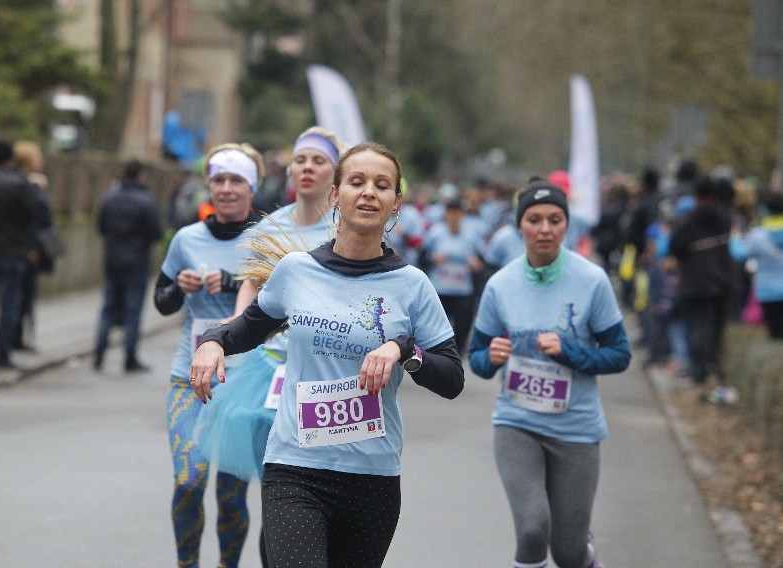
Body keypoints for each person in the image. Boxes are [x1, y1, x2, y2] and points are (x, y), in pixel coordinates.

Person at [189, 142, 465, 568]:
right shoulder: (296, 271)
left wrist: (404, 350)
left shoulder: (412, 285)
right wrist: (212, 340)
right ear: (336, 195)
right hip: (294, 467)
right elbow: (247, 328)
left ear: (395, 203)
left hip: (372, 475)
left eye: (382, 185)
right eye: (356, 182)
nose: (369, 192)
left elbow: (452, 378)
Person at [194, 127, 346, 568]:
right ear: (291, 169)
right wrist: (233, 331)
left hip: (325, 372)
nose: (307, 168)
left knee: (322, 483)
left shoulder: (345, 227)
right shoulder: (272, 225)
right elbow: (253, 286)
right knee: (278, 486)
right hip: (269, 371)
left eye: (318, 160)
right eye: (300, 160)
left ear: (334, 172)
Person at [468, 177, 631, 568]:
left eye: (555, 220)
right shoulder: (500, 285)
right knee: (532, 531)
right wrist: (491, 357)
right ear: (519, 226)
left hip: (576, 426)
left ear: (566, 225)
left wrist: (571, 352)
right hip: (517, 423)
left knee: (569, 552)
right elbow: (476, 358)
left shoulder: (591, 281)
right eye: (535, 219)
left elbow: (620, 354)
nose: (545, 229)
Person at [153, 143, 264, 568]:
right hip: (188, 376)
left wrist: (236, 284)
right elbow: (161, 302)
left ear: (251, 188)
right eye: (219, 180)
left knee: (231, 491)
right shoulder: (186, 238)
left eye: (236, 180)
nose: (226, 188)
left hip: (241, 383)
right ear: (209, 186)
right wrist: (179, 286)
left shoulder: (264, 241)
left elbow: (279, 306)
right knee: (189, 478)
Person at [0, 140, 41, 370]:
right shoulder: (18, 184)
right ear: (11, 158)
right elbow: (33, 214)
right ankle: (2, 355)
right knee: (9, 305)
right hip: (13, 252)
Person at [93, 158, 163, 373]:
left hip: (112, 260)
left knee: (108, 307)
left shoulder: (110, 198)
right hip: (137, 261)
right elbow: (156, 233)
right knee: (133, 310)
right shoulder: (146, 201)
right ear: (140, 175)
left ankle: (99, 353)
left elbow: (101, 227)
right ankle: (129, 357)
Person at [668, 175, 734, 386]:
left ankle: (699, 370)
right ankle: (714, 365)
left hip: (697, 281)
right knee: (716, 326)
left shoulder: (690, 218)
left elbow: (675, 246)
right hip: (723, 279)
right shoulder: (725, 216)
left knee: (698, 326)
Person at [420, 198, 483, 351]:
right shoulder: (435, 233)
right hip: (440, 289)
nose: (454, 216)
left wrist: (476, 264)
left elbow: (482, 262)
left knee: (462, 326)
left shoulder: (472, 235)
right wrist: (433, 259)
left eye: (458, 213)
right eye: (451, 213)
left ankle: (458, 354)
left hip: (463, 290)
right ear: (446, 215)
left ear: (462, 215)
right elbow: (421, 258)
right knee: (437, 326)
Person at [11, 140, 57, 352]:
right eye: (37, 157)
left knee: (22, 298)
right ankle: (15, 339)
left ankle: (18, 337)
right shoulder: (23, 186)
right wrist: (32, 248)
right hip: (25, 251)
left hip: (24, 249)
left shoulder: (28, 184)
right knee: (20, 298)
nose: (41, 161)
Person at [729, 189, 783, 339]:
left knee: (775, 336)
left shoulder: (758, 235)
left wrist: (734, 238)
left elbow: (740, 255)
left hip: (767, 292)